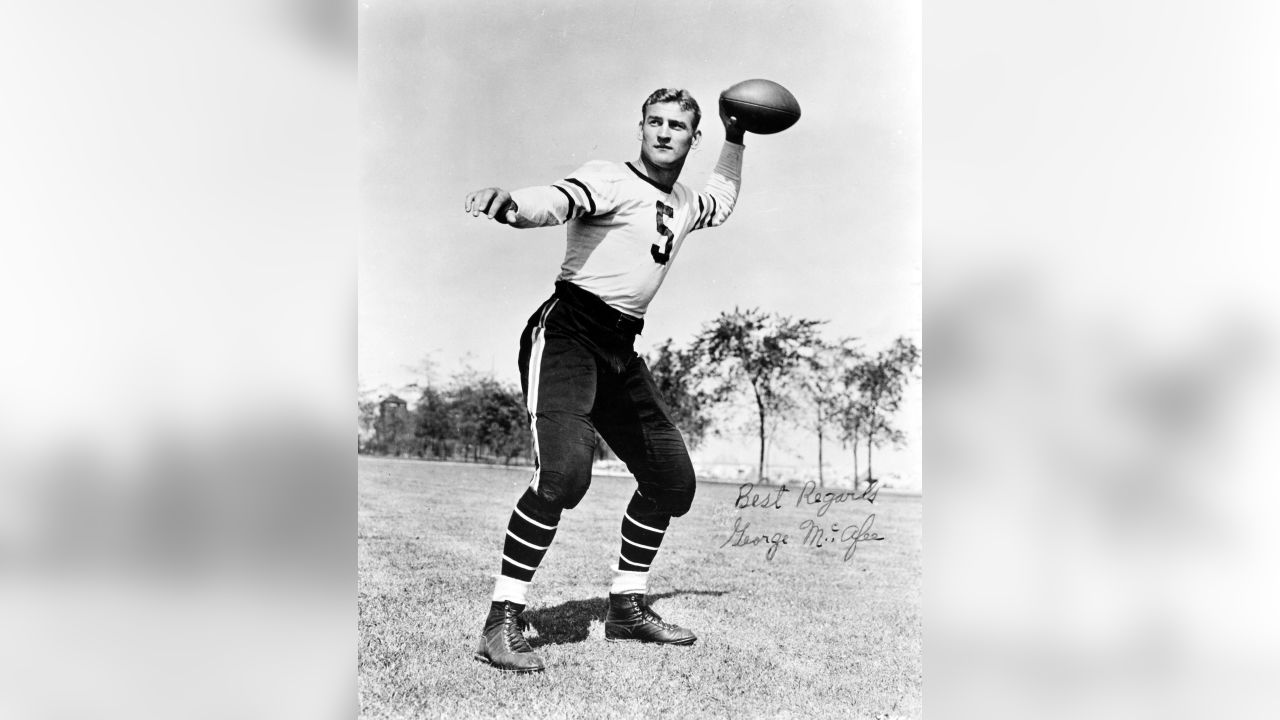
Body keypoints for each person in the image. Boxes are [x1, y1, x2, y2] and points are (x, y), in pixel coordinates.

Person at [463, 87, 746, 673]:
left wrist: (736, 135)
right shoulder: (610, 178)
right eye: (655, 122)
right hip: (569, 334)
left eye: (678, 127)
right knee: (564, 478)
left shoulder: (688, 200)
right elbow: (559, 200)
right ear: (640, 128)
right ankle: (502, 621)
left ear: (694, 138)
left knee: (672, 482)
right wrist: (512, 204)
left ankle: (625, 607)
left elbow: (721, 198)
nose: (664, 133)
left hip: (621, 348)